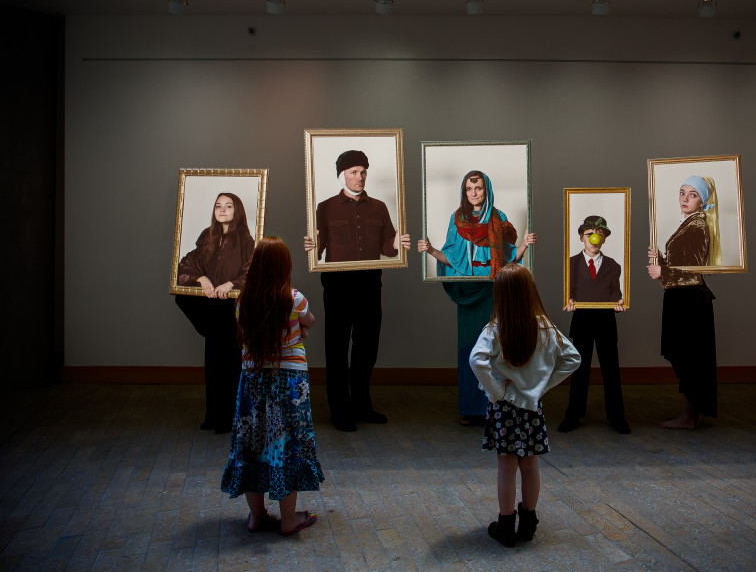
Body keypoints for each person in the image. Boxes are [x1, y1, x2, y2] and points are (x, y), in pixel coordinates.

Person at [469, 262, 580, 547]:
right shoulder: (545, 325)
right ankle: (528, 523)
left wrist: (496, 392)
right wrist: (542, 386)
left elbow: (475, 360)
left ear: (501, 294)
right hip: (532, 408)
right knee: (530, 466)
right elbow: (573, 358)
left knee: (506, 469)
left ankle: (506, 525)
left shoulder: (495, 328)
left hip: (504, 407)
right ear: (531, 290)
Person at [221, 236, 324, 536]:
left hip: (252, 381)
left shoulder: (242, 300)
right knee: (287, 446)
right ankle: (289, 520)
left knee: (252, 447)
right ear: (285, 266)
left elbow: (249, 332)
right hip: (289, 382)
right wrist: (299, 328)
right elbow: (311, 321)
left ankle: (256, 517)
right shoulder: (293, 298)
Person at [417, 170, 536, 426]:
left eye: (479, 188)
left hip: (494, 290)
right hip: (470, 290)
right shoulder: (457, 218)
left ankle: (495, 407)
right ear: (464, 191)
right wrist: (431, 250)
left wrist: (524, 245)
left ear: (487, 190)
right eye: (470, 189)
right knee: (470, 349)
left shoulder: (498, 218)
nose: (474, 193)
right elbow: (453, 257)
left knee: (495, 349)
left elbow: (509, 257)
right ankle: (471, 409)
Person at [304, 150, 410, 432]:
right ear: (342, 175)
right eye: (353, 172)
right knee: (337, 348)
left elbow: (387, 248)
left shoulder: (379, 207)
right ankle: (340, 411)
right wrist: (311, 248)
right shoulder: (325, 207)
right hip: (337, 286)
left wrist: (398, 243)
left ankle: (362, 406)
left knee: (366, 347)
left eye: (363, 171)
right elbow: (318, 247)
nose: (359, 177)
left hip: (369, 284)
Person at [175, 192, 255, 433]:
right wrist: (202, 279)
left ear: (237, 210)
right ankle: (214, 415)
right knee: (213, 360)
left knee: (231, 361)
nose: (222, 210)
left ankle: (230, 418)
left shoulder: (246, 239)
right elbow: (187, 264)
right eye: (218, 206)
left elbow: (251, 269)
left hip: (231, 305)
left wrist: (232, 284)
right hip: (211, 304)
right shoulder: (207, 236)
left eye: (228, 206)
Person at [647, 175, 721, 429]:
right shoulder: (689, 223)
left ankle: (689, 417)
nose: (685, 199)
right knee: (687, 356)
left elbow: (693, 270)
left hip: (689, 300)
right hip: (682, 297)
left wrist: (661, 272)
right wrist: (660, 259)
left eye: (693, 195)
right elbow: (682, 263)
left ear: (702, 201)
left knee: (689, 356)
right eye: (682, 193)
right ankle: (690, 414)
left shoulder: (698, 225)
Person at [559, 215, 629, 434]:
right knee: (580, 368)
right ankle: (574, 414)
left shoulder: (613, 265)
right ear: (581, 237)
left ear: (605, 239)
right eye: (589, 234)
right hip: (582, 320)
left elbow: (616, 291)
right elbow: (568, 290)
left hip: (606, 321)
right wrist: (568, 301)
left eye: (598, 235)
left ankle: (617, 416)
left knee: (611, 369)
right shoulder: (571, 263)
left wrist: (620, 301)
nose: (593, 239)